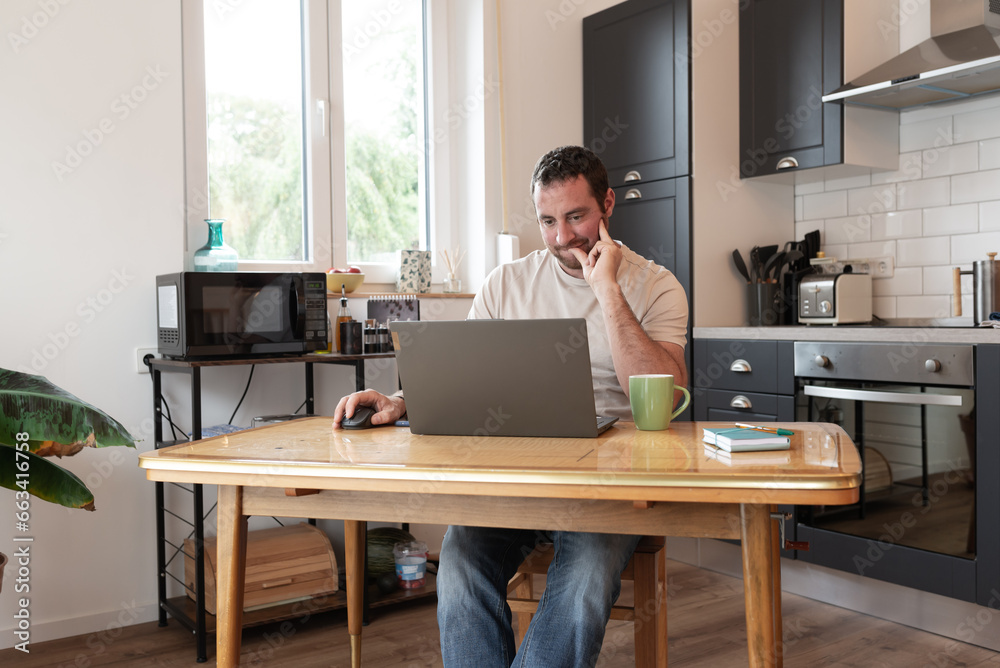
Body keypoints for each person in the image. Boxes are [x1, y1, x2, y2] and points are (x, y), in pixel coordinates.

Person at [334, 145, 688, 667]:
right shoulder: (506, 284)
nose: (562, 237)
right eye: (548, 221)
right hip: (516, 478)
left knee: (585, 578)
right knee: (457, 560)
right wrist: (401, 399)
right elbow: (466, 376)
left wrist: (606, 289)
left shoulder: (656, 285)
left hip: (612, 487)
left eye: (576, 217)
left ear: (608, 204)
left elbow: (665, 392)